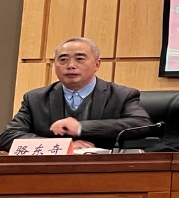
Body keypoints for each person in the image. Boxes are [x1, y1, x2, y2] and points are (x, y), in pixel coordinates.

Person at [0, 37, 150, 152]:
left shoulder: (121, 95)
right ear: (55, 65)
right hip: (51, 172)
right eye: (63, 60)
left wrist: (81, 127)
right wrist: (61, 146)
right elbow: (8, 136)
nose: (70, 65)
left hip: (103, 171)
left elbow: (141, 124)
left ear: (97, 64)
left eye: (80, 59)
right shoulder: (35, 99)